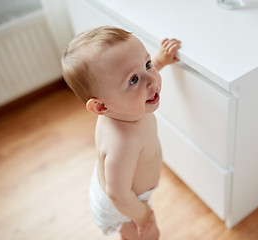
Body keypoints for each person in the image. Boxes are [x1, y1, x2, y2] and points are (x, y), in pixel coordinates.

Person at [61, 26, 181, 240]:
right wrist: (143, 216)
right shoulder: (121, 143)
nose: (151, 79)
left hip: (124, 191)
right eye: (133, 80)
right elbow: (118, 195)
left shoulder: (121, 106)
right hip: (122, 205)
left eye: (147, 65)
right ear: (100, 107)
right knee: (149, 235)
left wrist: (160, 61)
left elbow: (137, 73)